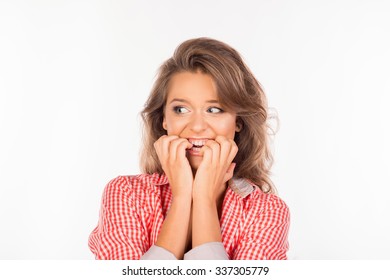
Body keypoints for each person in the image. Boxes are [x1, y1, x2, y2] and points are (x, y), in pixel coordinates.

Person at [88, 37, 290, 260]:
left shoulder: (266, 212)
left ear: (238, 121)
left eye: (214, 109)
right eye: (181, 109)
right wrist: (182, 197)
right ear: (164, 118)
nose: (196, 126)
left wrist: (202, 196)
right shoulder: (126, 194)